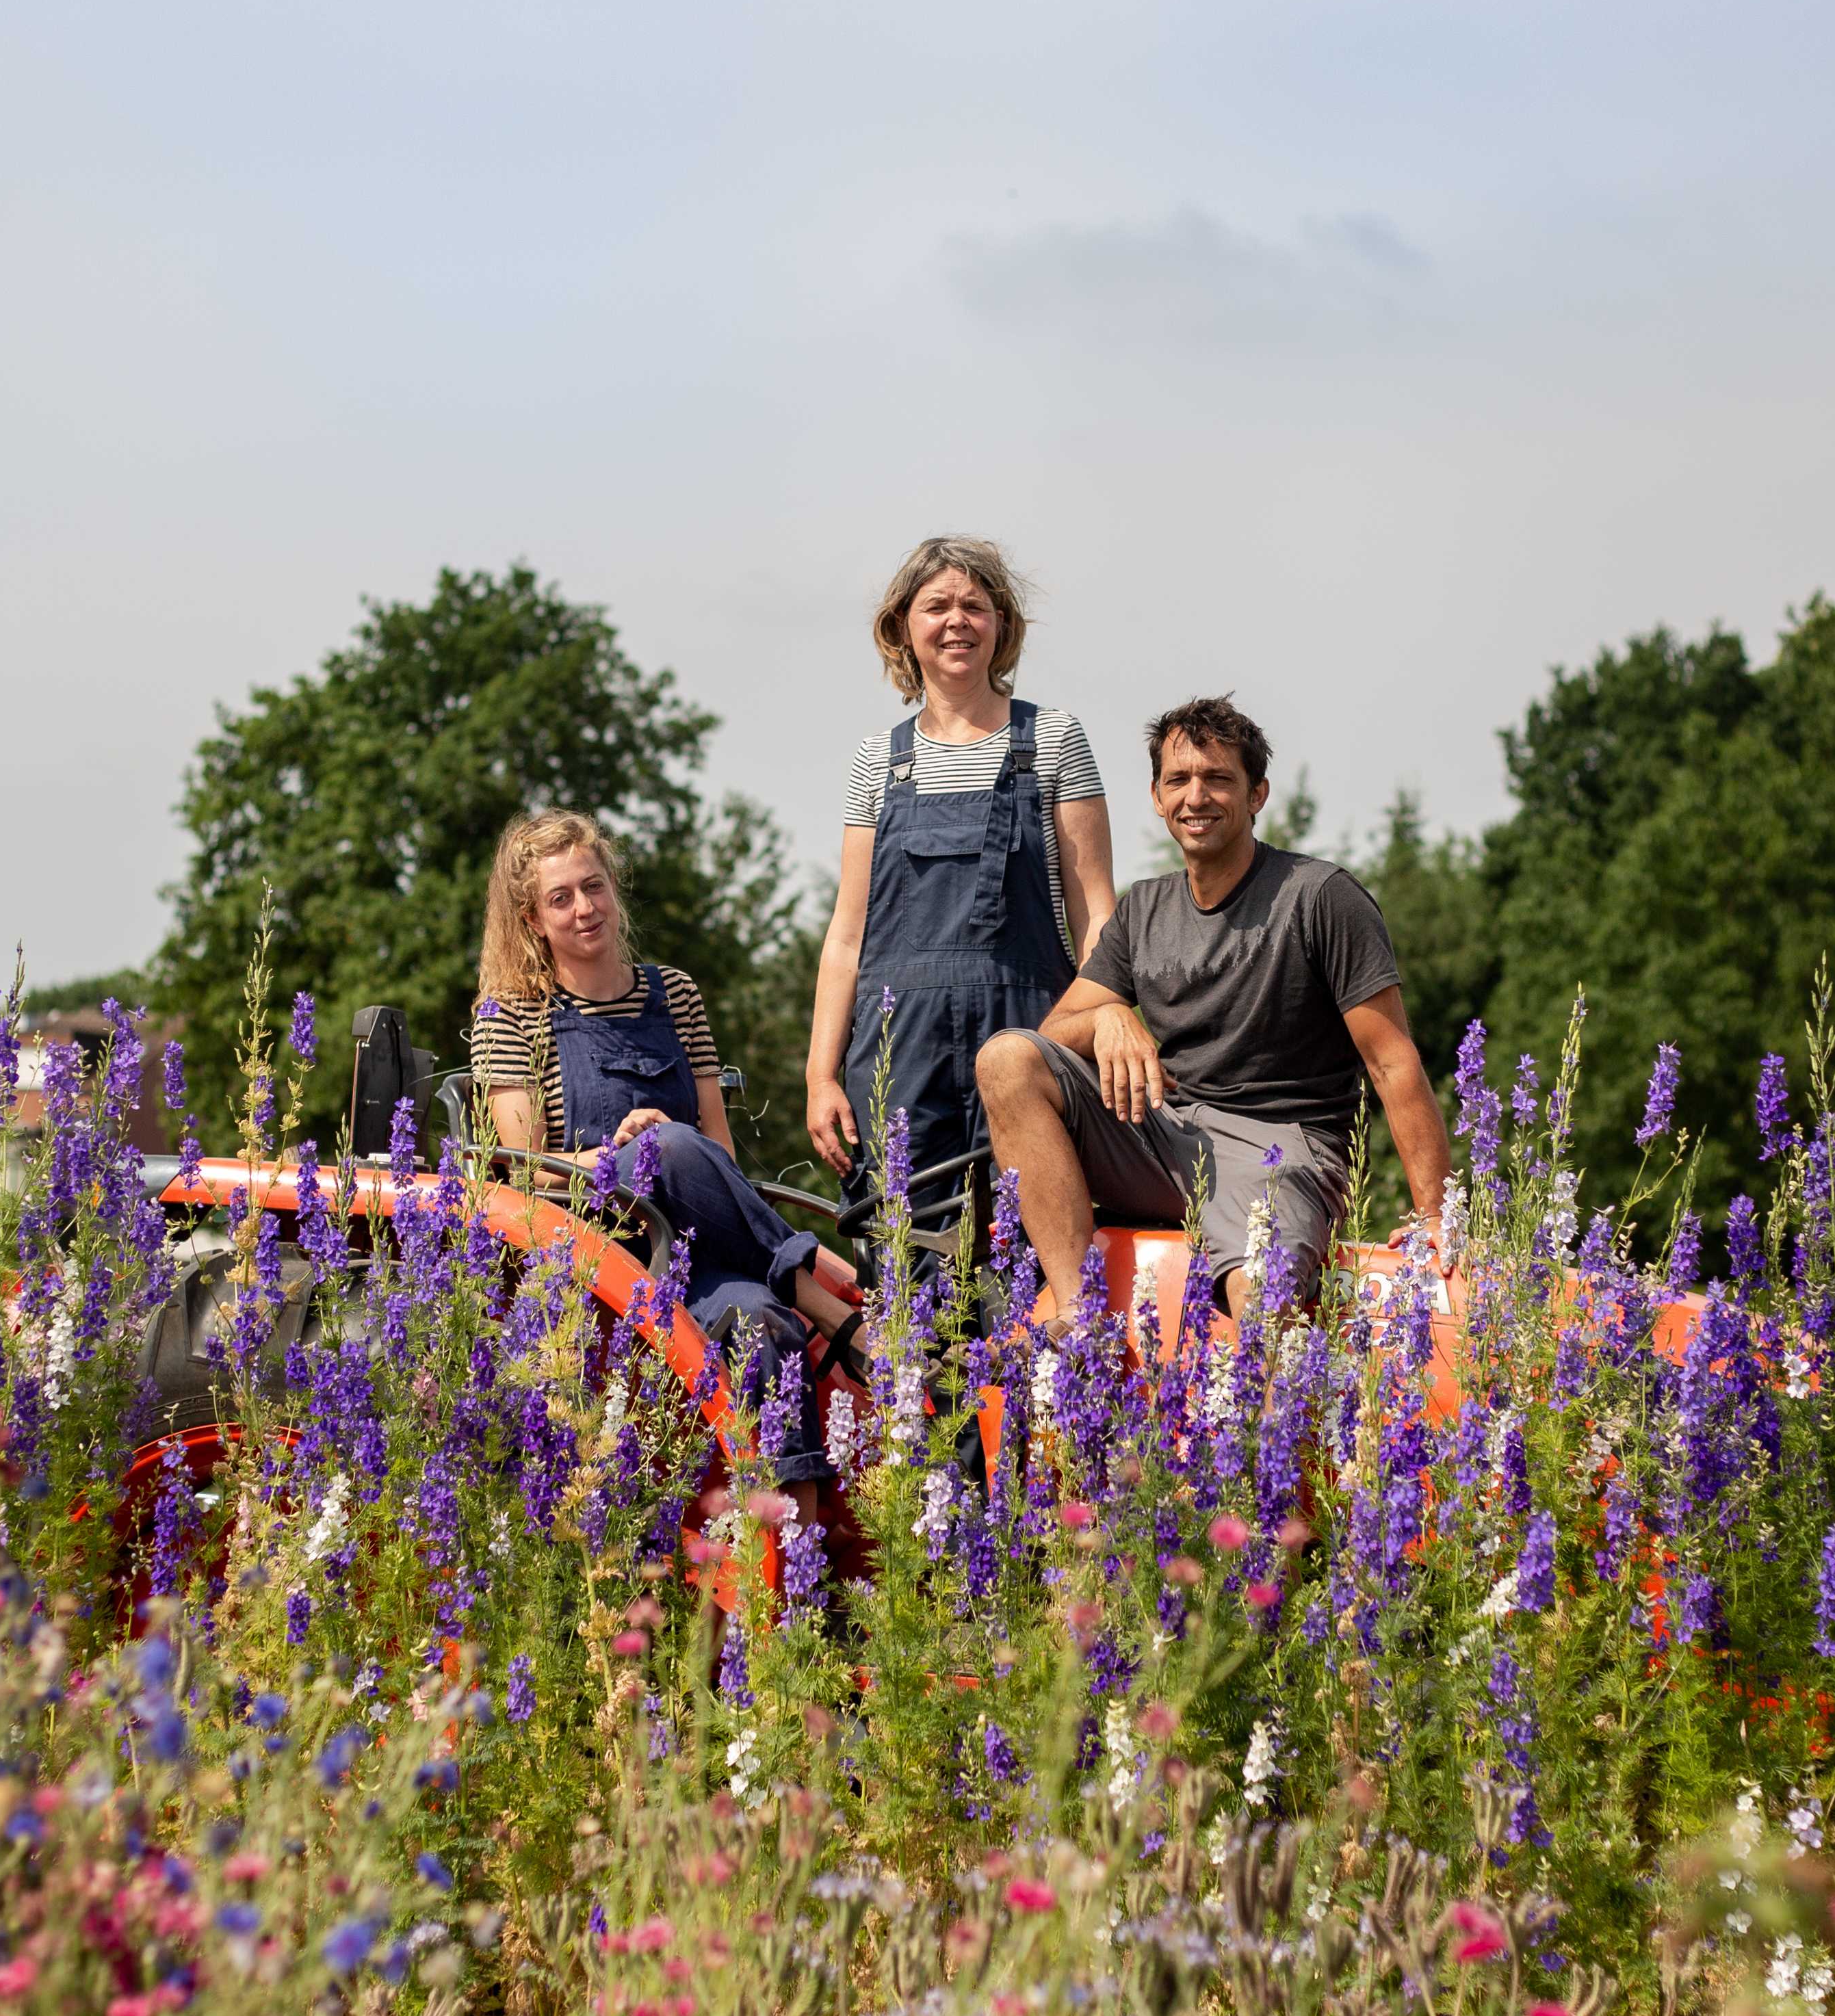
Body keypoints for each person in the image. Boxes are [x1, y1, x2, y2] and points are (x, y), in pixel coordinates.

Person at [974, 696, 1451, 1320]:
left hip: (1280, 1147)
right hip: (1167, 1136)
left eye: (1218, 779)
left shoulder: (1321, 897)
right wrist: (1109, 1017)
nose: (1195, 796)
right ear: (1156, 796)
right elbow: (1056, 1031)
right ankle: (1078, 1320)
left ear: (1258, 794)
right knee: (1007, 1058)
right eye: (1178, 780)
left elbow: (1391, 1062)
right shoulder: (1142, 909)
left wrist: (1435, 1217)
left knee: (1261, 1304)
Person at [470, 809, 859, 1493]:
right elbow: (528, 1177)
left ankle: (795, 1557)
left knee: (761, 1321)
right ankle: (827, 1295)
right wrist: (625, 1147)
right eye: (561, 899)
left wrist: (664, 1145)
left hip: (698, 1240)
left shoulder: (673, 992)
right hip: (600, 1243)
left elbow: (719, 1149)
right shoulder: (511, 1014)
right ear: (531, 919)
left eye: (594, 886)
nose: (585, 908)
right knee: (666, 1143)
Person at [805, 537, 1118, 1234]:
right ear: (902, 627)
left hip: (1029, 1030)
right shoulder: (877, 761)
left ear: (1000, 624)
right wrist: (819, 1075)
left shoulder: (1056, 739)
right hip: (897, 1048)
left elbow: (1099, 913)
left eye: (975, 606)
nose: (956, 621)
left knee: (1032, 1252)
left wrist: (1098, 1027)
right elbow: (846, 934)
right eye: (936, 606)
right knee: (902, 1257)